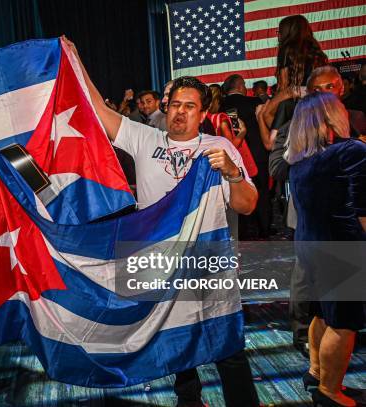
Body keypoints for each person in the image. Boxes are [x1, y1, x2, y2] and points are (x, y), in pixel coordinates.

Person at [62, 37, 259, 407]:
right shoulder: (143, 136)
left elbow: (248, 206)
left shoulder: (218, 147)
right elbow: (98, 111)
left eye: (190, 106)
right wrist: (75, 59)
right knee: (176, 344)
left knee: (227, 345)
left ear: (202, 113)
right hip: (162, 262)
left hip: (209, 263)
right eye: (174, 105)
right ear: (165, 109)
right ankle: (189, 402)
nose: (179, 112)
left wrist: (232, 173)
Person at [284, 91, 365, 407]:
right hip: (343, 248)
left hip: (311, 246)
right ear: (331, 115)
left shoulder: (300, 162)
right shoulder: (351, 151)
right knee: (344, 322)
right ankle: (330, 392)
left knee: (321, 313)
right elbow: (362, 210)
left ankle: (317, 373)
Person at [221, 74, 271, 239]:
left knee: (236, 193)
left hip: (232, 158)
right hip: (257, 155)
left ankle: (243, 232)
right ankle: (264, 230)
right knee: (262, 192)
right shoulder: (255, 102)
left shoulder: (220, 105)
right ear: (241, 86)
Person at [261, 14, 328, 129]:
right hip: (319, 98)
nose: (278, 35)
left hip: (295, 93)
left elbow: (283, 85)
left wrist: (271, 104)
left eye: (279, 31)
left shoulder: (287, 49)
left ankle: (283, 140)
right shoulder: (316, 51)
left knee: (264, 114)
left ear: (287, 32)